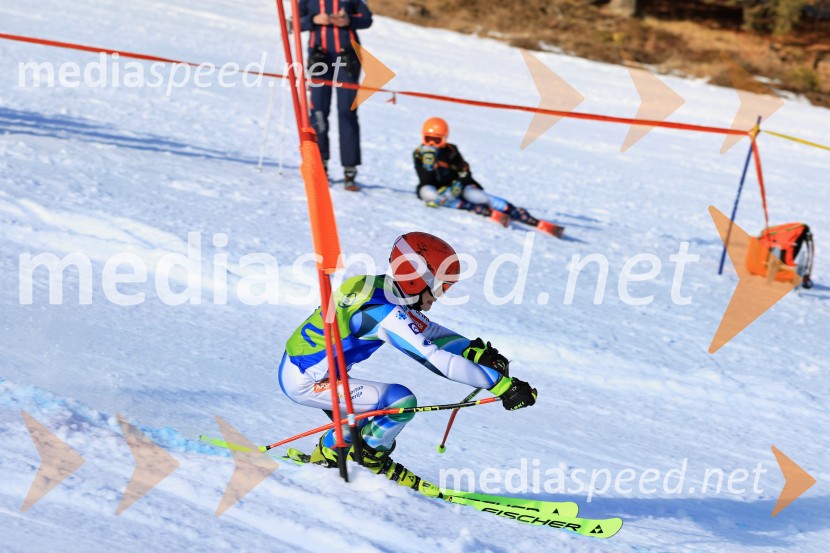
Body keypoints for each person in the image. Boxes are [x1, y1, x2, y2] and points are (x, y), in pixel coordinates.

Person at [278, 232, 537, 494]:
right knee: (399, 402)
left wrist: (474, 351)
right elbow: (435, 359)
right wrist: (503, 387)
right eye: (439, 287)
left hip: (303, 369)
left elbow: (430, 331)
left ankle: (337, 453)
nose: (437, 297)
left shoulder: (377, 287)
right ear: (416, 277)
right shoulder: (383, 312)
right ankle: (363, 459)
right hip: (308, 382)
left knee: (366, 416)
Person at [414, 117, 564, 237]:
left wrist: (457, 186)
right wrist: (428, 164)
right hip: (434, 188)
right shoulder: (419, 153)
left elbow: (465, 172)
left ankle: (513, 211)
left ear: (445, 139)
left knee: (476, 195)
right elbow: (425, 180)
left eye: (437, 140)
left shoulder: (452, 151)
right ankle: (472, 207)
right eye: (428, 139)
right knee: (430, 194)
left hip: (457, 185)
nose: (432, 143)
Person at [299, 0, 373, 190]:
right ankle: (319, 163)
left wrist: (348, 20)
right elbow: (294, 22)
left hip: (347, 57)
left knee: (346, 111)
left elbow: (367, 19)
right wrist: (314, 19)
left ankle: (350, 169)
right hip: (319, 56)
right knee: (318, 111)